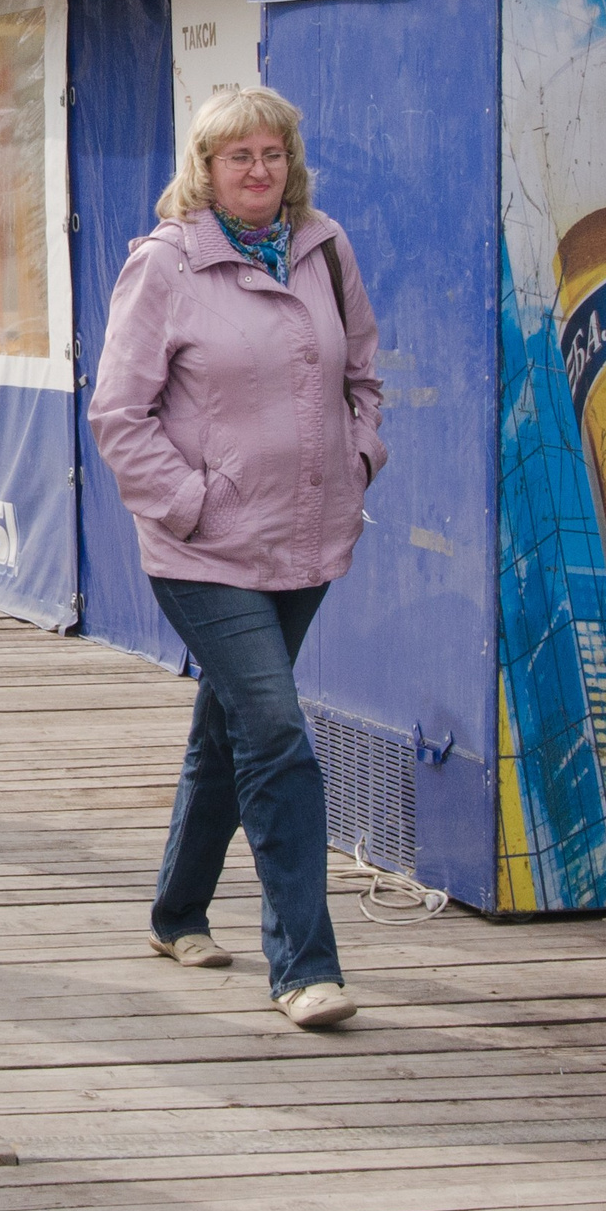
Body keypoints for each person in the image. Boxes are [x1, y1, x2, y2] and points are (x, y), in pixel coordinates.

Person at [87, 84, 383, 1032]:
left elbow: (363, 375)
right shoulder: (165, 265)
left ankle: (176, 912)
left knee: (230, 725)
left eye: (272, 155)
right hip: (202, 551)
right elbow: (118, 414)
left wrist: (360, 457)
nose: (258, 172)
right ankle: (303, 965)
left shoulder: (325, 248)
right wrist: (190, 503)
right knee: (277, 733)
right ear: (204, 170)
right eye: (236, 157)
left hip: (304, 538)